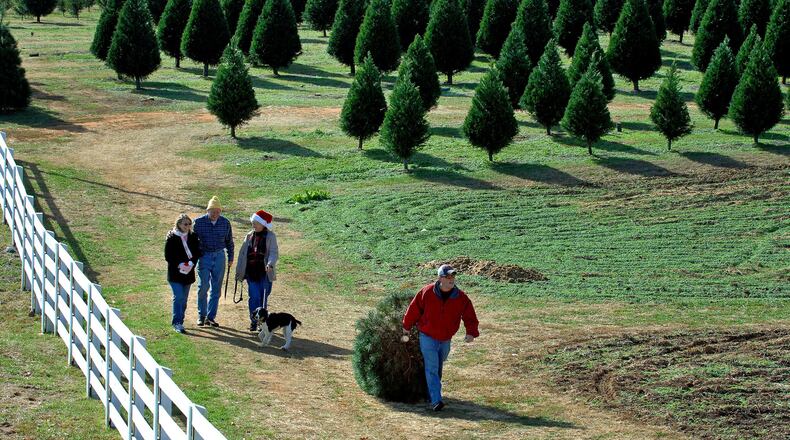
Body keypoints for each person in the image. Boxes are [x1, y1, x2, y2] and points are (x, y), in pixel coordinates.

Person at [402, 264, 479, 411]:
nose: (451, 279)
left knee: (439, 364)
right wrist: (406, 327)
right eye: (448, 276)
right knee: (432, 367)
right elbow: (413, 310)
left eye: (453, 277)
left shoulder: (460, 297)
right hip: (427, 336)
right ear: (440, 278)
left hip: (445, 338)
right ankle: (436, 400)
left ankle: (430, 392)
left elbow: (470, 315)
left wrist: (471, 332)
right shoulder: (426, 292)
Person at [193, 196, 234, 327]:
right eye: (213, 211)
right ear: (207, 210)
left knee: (216, 288)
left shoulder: (225, 223)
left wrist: (231, 257)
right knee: (203, 287)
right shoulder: (198, 223)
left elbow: (229, 242)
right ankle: (201, 315)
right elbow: (191, 241)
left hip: (220, 257)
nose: (215, 214)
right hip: (204, 256)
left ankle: (211, 317)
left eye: (218, 211)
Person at [235, 210, 279, 332]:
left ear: (263, 224)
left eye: (255, 223)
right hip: (251, 272)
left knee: (263, 298)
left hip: (265, 272)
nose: (253, 225)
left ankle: (262, 323)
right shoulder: (249, 236)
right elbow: (242, 254)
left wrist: (270, 264)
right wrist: (239, 271)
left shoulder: (271, 236)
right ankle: (254, 322)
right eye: (253, 223)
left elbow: (274, 253)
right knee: (254, 297)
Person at [164, 214, 202, 333]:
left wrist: (191, 263)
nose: (188, 226)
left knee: (184, 299)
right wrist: (179, 264)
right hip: (175, 273)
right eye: (185, 224)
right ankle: (177, 322)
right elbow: (168, 255)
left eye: (189, 224)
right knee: (179, 297)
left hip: (188, 273)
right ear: (179, 224)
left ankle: (181, 319)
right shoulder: (172, 237)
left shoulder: (193, 236)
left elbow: (197, 252)